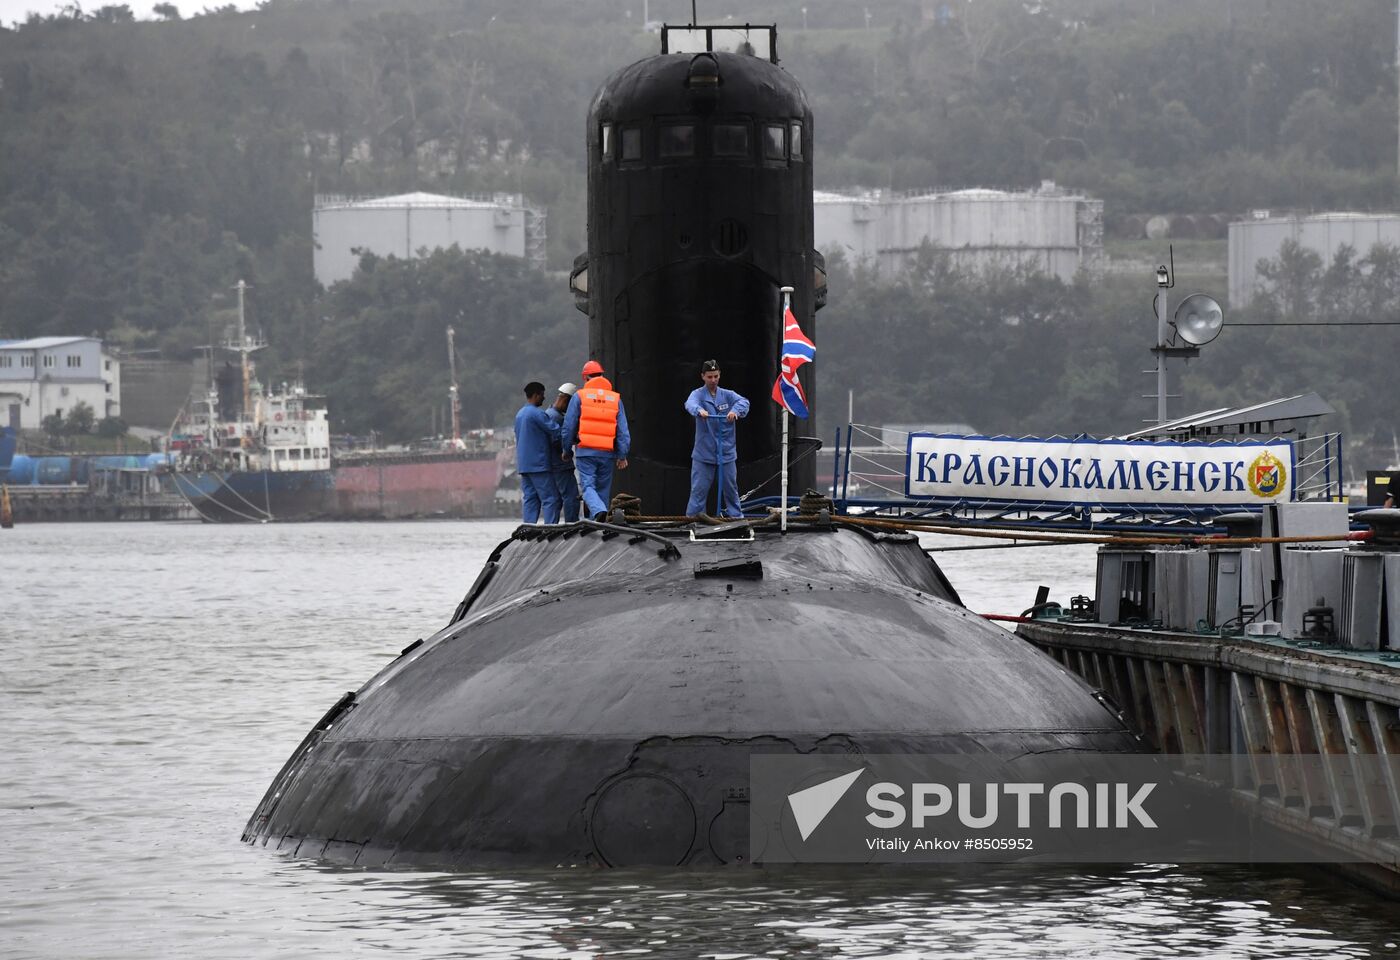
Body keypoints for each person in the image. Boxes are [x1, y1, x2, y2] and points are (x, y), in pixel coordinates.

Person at [562, 360, 630, 521]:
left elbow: (569, 426)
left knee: (588, 487)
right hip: (607, 453)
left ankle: (599, 512)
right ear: (602, 375)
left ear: (585, 378)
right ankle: (600, 522)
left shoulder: (580, 396)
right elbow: (623, 430)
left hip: (586, 451)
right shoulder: (615, 399)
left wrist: (566, 449)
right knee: (603, 490)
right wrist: (622, 455)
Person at [684, 359, 749, 518]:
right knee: (698, 490)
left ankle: (735, 518)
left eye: (716, 376)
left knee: (731, 489)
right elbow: (690, 404)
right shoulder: (698, 395)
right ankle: (694, 519)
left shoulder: (727, 395)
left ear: (719, 376)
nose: (713, 380)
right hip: (704, 454)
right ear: (703, 377)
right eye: (710, 377)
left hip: (726, 453)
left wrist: (735, 411)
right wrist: (699, 410)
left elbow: (744, 402)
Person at [513, 381, 561, 524]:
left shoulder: (519, 414)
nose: (544, 398)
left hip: (524, 465)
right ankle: (550, 529)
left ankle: (528, 529)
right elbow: (556, 431)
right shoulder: (537, 414)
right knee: (551, 498)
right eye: (542, 395)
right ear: (535, 395)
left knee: (530, 498)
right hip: (538, 464)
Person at [547, 382, 581, 522]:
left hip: (551, 465)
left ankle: (552, 525)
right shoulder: (558, 418)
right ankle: (572, 523)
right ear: (567, 400)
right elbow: (557, 440)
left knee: (556, 498)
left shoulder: (548, 413)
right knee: (571, 496)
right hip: (561, 465)